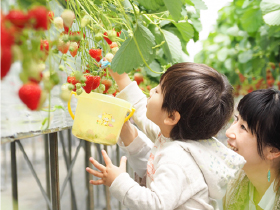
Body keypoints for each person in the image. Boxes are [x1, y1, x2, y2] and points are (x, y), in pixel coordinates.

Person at [86, 62, 246, 210]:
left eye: (158, 91)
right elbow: (141, 110)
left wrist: (119, 181)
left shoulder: (177, 160)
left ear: (171, 117)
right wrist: (120, 77)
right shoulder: (175, 134)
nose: (151, 90)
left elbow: (155, 205)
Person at [223, 88, 280, 210]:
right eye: (236, 119)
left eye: (243, 127)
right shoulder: (231, 185)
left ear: (273, 151)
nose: (228, 132)